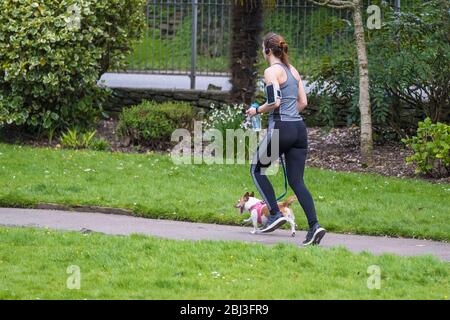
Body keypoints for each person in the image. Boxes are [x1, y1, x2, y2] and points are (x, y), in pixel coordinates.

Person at [246, 32, 326, 246]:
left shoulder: (271, 71)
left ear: (268, 51)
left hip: (281, 128)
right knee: (297, 181)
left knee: (256, 168)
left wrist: (257, 111)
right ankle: (314, 226)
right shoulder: (293, 71)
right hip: (299, 129)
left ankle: (274, 213)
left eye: (263, 49)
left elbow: (274, 102)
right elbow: (303, 103)